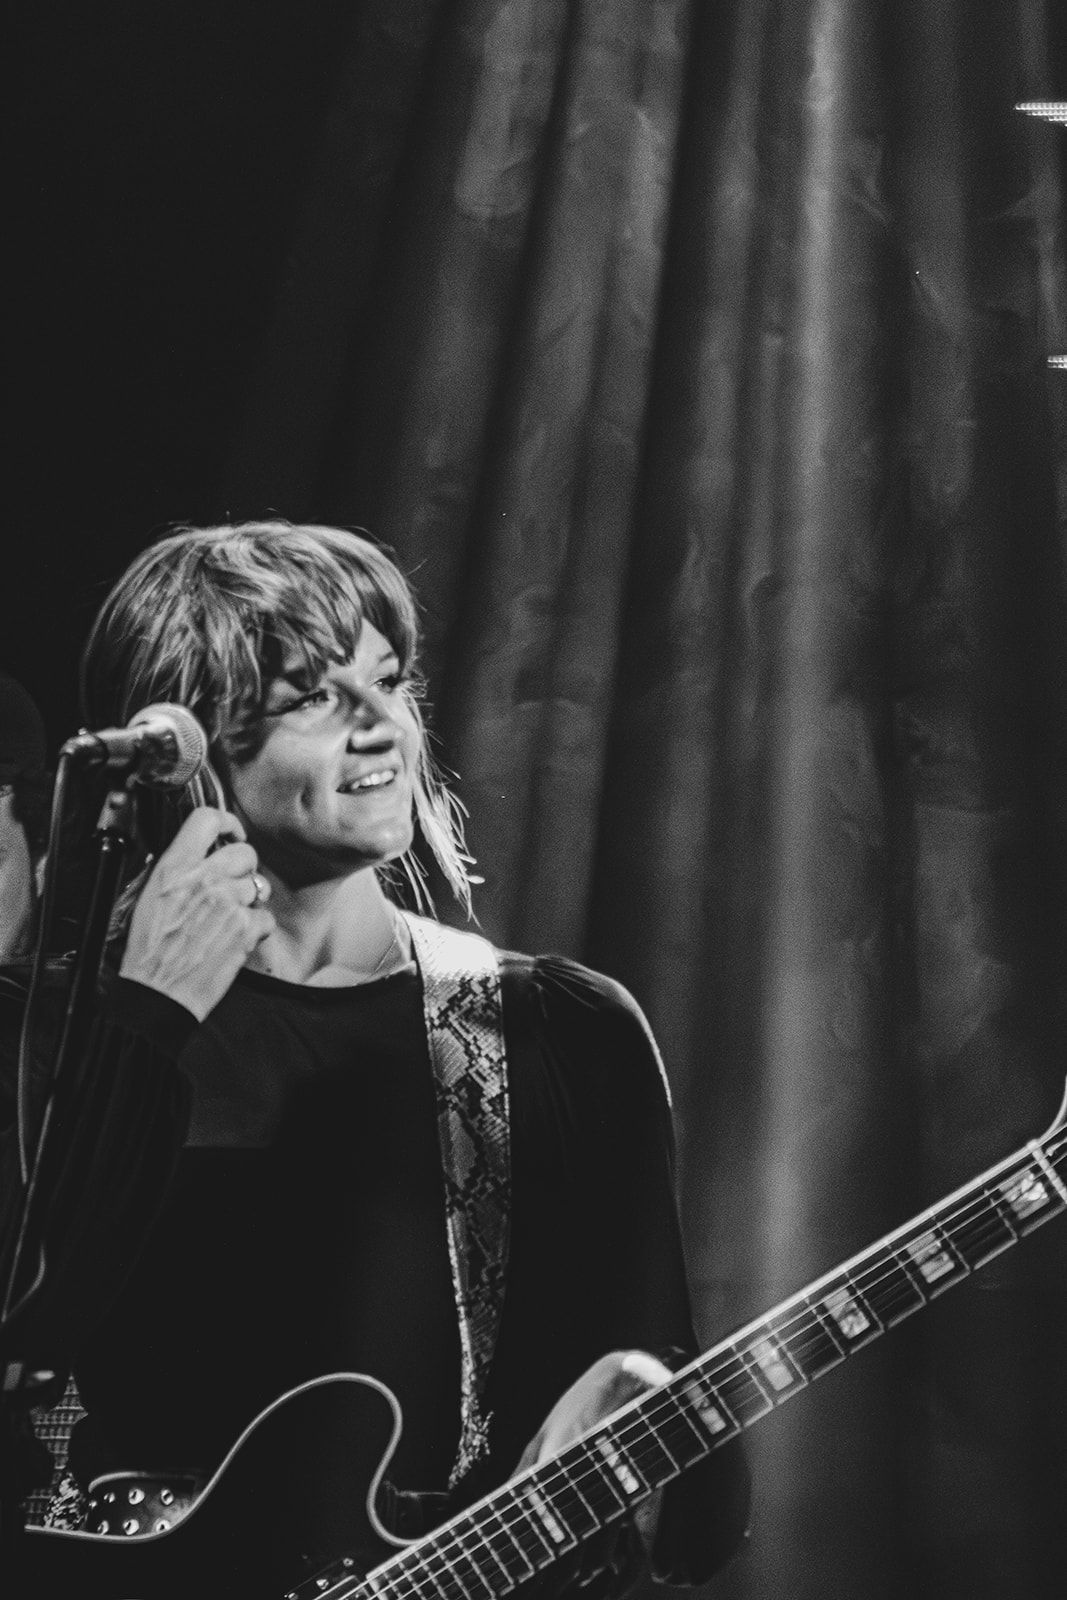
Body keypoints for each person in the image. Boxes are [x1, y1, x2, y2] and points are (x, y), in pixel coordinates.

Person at [1, 522, 749, 1596]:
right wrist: (150, 1021)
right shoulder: (45, 1032)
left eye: (389, 680)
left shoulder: (558, 1034)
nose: (382, 725)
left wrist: (652, 1393)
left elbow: (690, 1526)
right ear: (186, 748)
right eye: (314, 695)